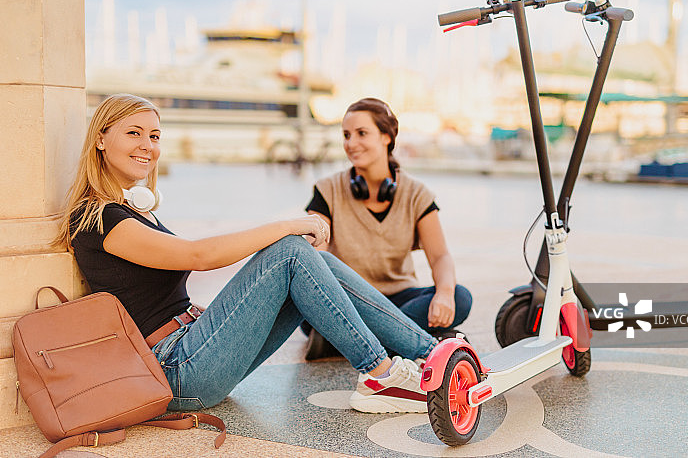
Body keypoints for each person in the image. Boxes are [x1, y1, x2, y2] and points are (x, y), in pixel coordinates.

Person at [54, 93, 437, 415]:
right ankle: (381, 374)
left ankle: (434, 356)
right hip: (175, 370)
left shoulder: (134, 212)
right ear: (101, 140)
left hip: (191, 348)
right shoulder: (98, 218)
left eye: (154, 136)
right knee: (290, 250)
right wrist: (289, 224)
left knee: (310, 260)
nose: (147, 146)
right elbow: (199, 255)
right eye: (133, 133)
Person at [304, 98, 472, 359]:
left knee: (460, 298)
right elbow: (314, 262)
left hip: (398, 299)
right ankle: (403, 339)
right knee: (308, 311)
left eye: (361, 133)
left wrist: (445, 294)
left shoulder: (417, 194)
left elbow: (440, 256)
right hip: (346, 300)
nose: (350, 143)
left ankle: (347, 340)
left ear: (386, 137)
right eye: (346, 135)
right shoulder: (327, 190)